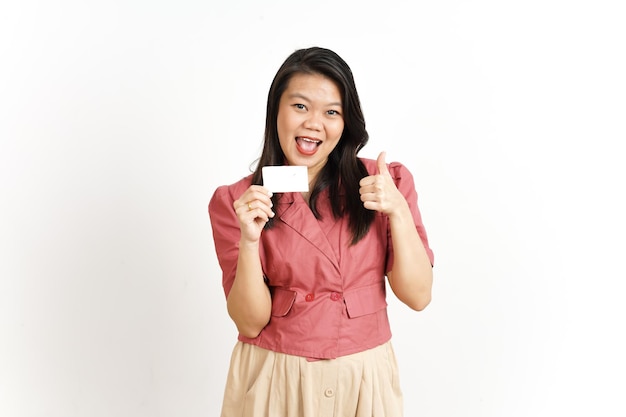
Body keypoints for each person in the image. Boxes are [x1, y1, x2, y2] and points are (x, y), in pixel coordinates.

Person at [208, 46, 434, 417]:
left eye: (331, 112)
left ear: (346, 123)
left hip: (364, 379)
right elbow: (249, 320)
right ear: (275, 111)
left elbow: (419, 295)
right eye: (300, 106)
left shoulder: (385, 182)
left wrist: (398, 211)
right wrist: (250, 241)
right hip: (275, 378)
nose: (314, 123)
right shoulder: (237, 200)